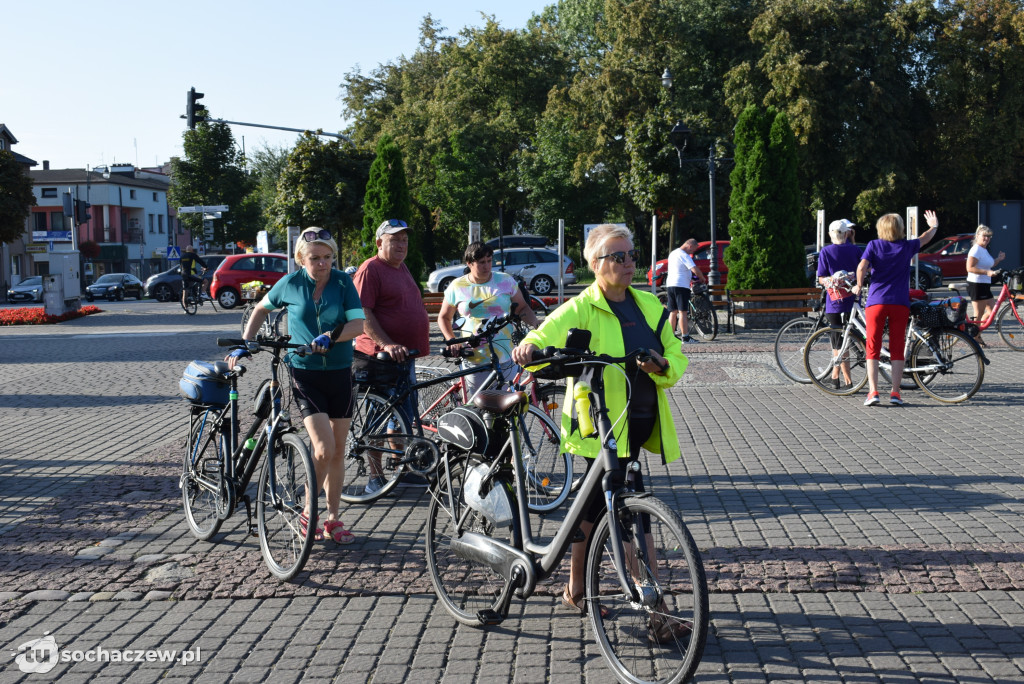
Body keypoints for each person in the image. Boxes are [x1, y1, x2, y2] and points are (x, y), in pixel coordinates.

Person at [511, 223, 688, 642]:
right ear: (595, 264)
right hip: (598, 425)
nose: (629, 263)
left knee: (592, 511)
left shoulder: (650, 305)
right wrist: (528, 349)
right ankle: (656, 608)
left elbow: (677, 356)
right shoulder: (581, 307)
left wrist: (662, 366)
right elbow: (541, 335)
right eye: (619, 257)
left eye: (631, 255)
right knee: (625, 517)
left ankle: (574, 589)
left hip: (639, 420)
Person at [226, 227, 365, 544]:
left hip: (341, 371)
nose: (323, 264)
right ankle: (308, 512)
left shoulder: (343, 282)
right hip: (305, 372)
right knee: (323, 448)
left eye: (328, 257)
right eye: (315, 258)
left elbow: (357, 324)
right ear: (302, 259)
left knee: (338, 451)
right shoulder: (289, 283)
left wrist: (331, 336)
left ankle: (332, 518)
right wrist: (246, 342)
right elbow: (262, 308)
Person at [352, 219, 430, 494]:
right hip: (378, 357)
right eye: (394, 240)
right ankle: (374, 477)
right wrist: (386, 343)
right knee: (378, 417)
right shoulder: (371, 269)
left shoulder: (401, 267)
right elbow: (362, 313)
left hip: (404, 357)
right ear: (379, 243)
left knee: (402, 415)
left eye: (404, 240)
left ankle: (403, 467)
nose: (401, 244)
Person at [851, 210, 938, 406]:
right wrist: (934, 226)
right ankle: (895, 393)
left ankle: (873, 392)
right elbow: (925, 238)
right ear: (899, 229)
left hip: (876, 302)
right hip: (900, 302)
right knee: (898, 348)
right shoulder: (906, 246)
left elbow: (861, 267)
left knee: (872, 347)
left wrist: (858, 284)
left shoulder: (874, 245)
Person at [437, 242, 539, 398]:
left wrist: (537, 324)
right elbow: (444, 317)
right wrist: (452, 340)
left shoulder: (505, 281)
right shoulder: (457, 286)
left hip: (505, 353)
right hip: (474, 356)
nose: (487, 266)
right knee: (479, 407)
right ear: (469, 263)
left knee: (508, 405)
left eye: (489, 261)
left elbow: (522, 308)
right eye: (481, 262)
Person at [816, 219, 862, 389]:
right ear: (846, 233)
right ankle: (835, 377)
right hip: (852, 300)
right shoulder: (856, 250)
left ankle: (848, 381)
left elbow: (821, 278)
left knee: (838, 342)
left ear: (830, 234)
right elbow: (864, 270)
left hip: (834, 301)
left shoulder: (826, 252)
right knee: (845, 340)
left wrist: (831, 280)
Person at [965, 225, 1005, 347]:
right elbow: (969, 268)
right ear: (977, 236)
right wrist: (987, 273)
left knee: (992, 312)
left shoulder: (984, 250)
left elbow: (989, 264)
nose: (987, 238)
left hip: (985, 285)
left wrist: (998, 259)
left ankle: (975, 334)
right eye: (984, 236)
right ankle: (974, 338)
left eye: (989, 236)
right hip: (976, 284)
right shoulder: (976, 249)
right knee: (979, 315)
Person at [665, 238, 707, 345]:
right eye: (693, 250)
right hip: (681, 286)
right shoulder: (684, 255)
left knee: (673, 312)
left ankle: (671, 336)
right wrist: (701, 278)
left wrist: (690, 278)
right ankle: (685, 337)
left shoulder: (673, 253)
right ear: (689, 246)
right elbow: (694, 269)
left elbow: (679, 269)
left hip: (670, 285)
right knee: (682, 312)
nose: (692, 252)